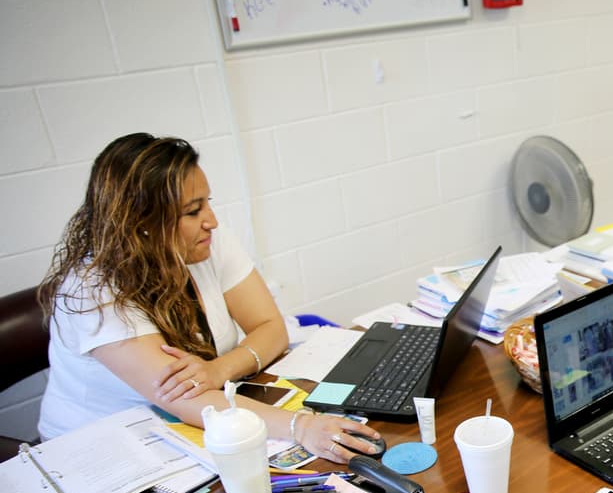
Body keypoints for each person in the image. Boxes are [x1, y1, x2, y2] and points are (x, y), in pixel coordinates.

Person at [37, 132, 380, 462]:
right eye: (192, 211)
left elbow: (271, 328)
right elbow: (187, 397)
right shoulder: (93, 291)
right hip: (104, 454)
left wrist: (218, 371)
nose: (211, 221)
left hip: (188, 429)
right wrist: (301, 426)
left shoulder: (203, 241)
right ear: (141, 224)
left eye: (207, 204)